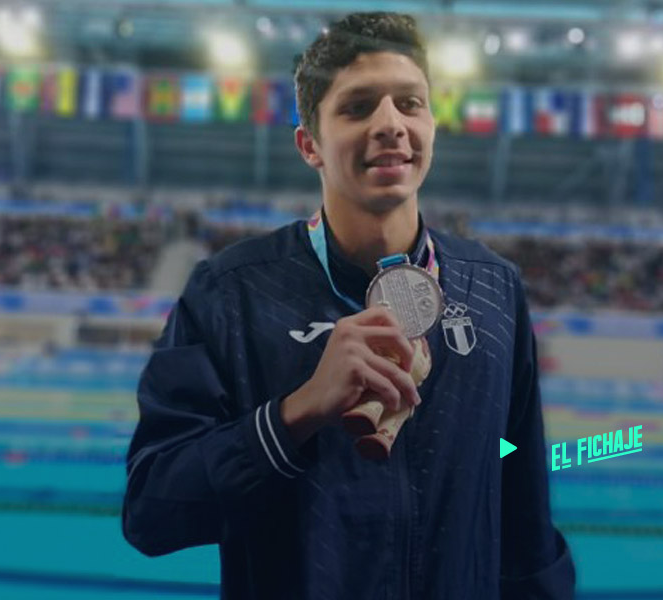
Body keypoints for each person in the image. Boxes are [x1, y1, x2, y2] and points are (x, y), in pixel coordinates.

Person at [123, 12, 575, 599]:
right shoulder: (232, 294)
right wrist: (297, 413)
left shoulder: (494, 290)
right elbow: (152, 511)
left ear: (432, 125)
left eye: (410, 104)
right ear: (309, 145)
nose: (391, 124)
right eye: (358, 107)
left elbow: (522, 494)